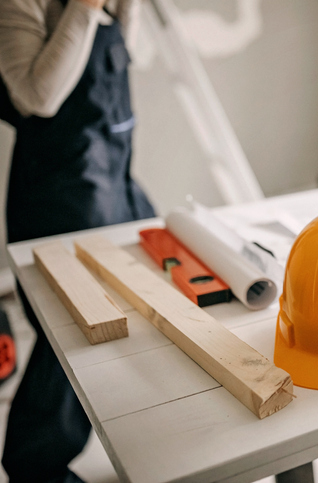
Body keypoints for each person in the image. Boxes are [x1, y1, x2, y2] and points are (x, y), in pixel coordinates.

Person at [0, 0, 155, 480]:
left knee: (148, 297)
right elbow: (38, 97)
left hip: (116, 176)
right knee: (68, 336)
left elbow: (133, 54)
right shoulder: (21, 4)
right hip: (60, 193)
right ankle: (34, 464)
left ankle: (138, 429)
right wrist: (87, 7)